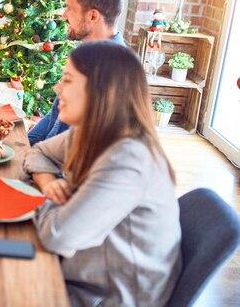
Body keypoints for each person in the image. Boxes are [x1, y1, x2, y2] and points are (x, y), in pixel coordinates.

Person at [23, 41, 181, 306]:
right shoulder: (90, 131)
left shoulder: (128, 159)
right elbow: (38, 153)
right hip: (81, 271)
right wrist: (48, 182)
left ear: (100, 90)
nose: (57, 88)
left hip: (108, 296)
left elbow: (57, 236)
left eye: (68, 81)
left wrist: (45, 202)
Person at [28, 0, 125, 146]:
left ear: (93, 16)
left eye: (70, 9)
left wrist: (31, 158)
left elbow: (72, 147)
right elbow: (55, 116)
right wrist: (24, 143)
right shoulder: (87, 53)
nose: (64, 16)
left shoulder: (111, 72)